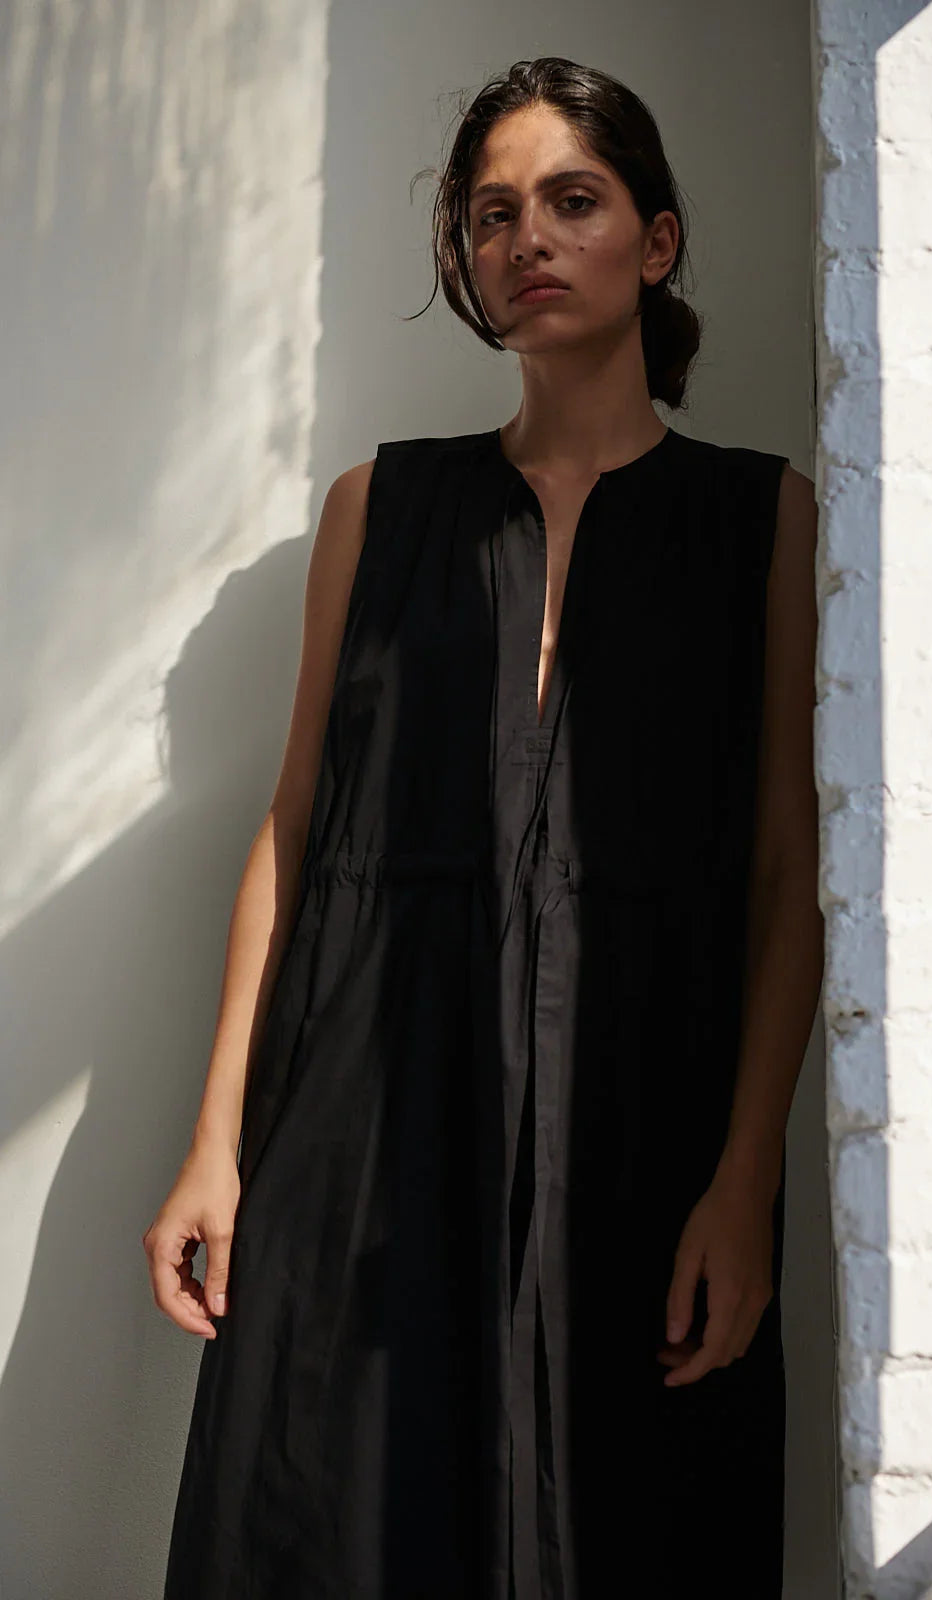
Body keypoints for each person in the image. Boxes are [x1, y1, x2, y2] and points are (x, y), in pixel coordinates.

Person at [145, 54, 822, 1600]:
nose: (529, 239)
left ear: (656, 238)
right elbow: (296, 829)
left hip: (640, 1139)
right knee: (335, 1528)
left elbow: (788, 878)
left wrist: (745, 1183)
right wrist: (214, 1147)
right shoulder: (380, 511)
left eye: (571, 201)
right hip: (365, 1127)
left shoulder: (763, 525)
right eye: (493, 214)